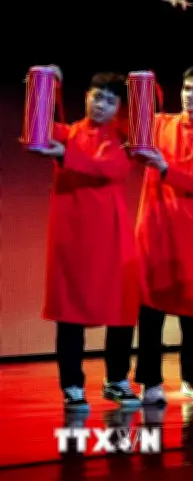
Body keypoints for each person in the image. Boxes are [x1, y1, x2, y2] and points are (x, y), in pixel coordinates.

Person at [27, 68, 141, 411]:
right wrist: (47, 81)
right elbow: (38, 127)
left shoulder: (123, 138)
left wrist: (64, 155)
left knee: (121, 308)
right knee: (69, 310)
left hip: (111, 232)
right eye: (97, 97)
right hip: (72, 234)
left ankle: (116, 380)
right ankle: (72, 386)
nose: (101, 105)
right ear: (86, 97)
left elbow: (111, 168)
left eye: (110, 100)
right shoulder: (68, 133)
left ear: (119, 107)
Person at [134, 66, 193, 404]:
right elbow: (129, 130)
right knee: (150, 308)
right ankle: (150, 381)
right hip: (155, 225)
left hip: (191, 230)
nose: (188, 95)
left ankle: (191, 377)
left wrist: (164, 167)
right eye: (186, 88)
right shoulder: (159, 123)